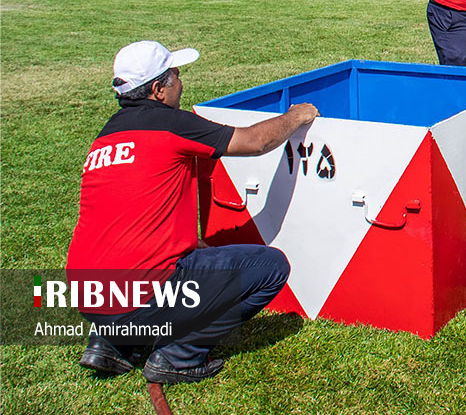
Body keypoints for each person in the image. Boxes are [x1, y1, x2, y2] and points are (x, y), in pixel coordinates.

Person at [67, 40, 319, 384]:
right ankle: (179, 355)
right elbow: (255, 141)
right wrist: (295, 116)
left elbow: (132, 210)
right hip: (142, 295)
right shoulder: (170, 124)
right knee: (270, 267)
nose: (181, 82)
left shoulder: (106, 136)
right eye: (175, 75)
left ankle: (111, 342)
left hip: (87, 294)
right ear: (158, 90)